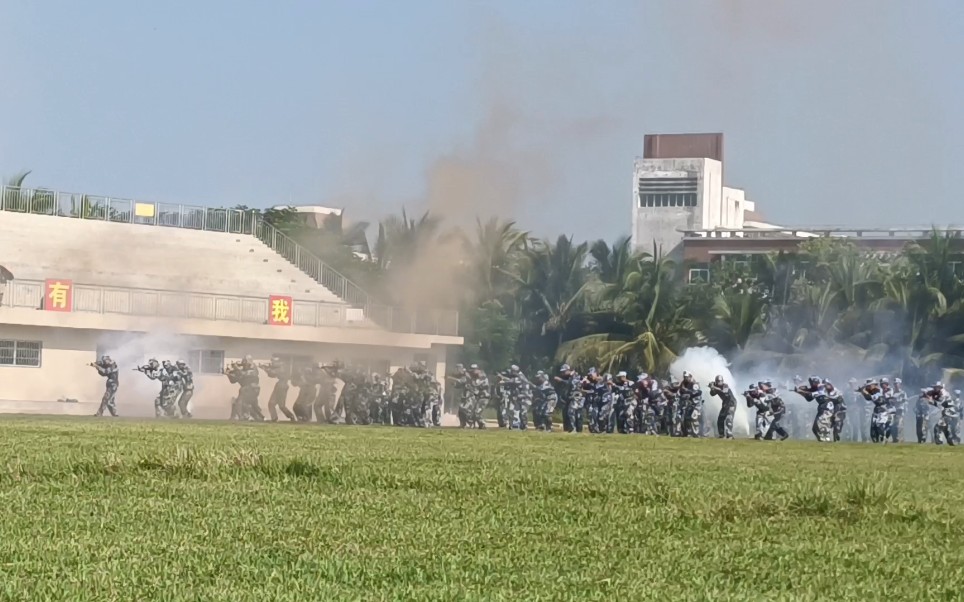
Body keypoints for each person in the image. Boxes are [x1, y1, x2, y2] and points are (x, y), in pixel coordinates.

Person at [261, 356, 295, 422]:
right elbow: (271, 375)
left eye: (273, 361)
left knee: (277, 404)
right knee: (276, 404)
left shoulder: (282, 367)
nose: (272, 363)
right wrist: (267, 369)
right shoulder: (281, 366)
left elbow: (273, 373)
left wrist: (265, 369)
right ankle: (277, 418)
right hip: (281, 385)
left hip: (282, 385)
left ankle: (288, 416)